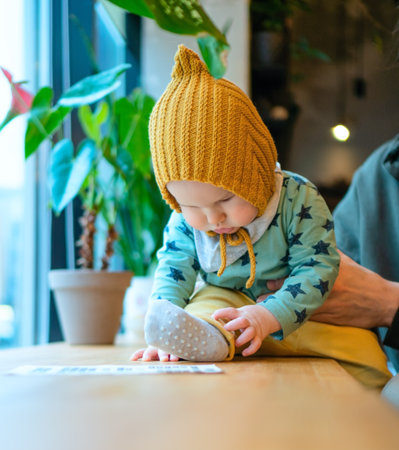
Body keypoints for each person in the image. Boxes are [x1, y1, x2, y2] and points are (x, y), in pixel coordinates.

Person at [131, 45, 391, 389]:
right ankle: (204, 341)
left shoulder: (297, 198)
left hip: (300, 310)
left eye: (225, 198)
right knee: (203, 312)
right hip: (226, 303)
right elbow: (174, 266)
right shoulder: (186, 218)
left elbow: (318, 266)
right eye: (190, 206)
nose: (212, 217)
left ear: (258, 175)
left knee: (366, 357)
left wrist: (270, 315)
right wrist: (163, 321)